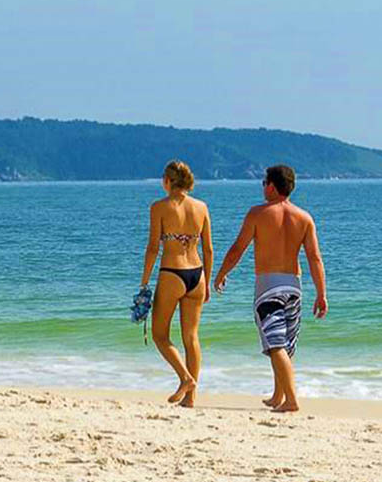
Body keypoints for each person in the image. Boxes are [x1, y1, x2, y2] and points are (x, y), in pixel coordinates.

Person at [213, 164, 327, 413]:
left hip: (268, 287)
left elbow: (237, 249)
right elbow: (314, 258)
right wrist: (321, 293)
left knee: (276, 346)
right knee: (284, 344)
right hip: (294, 286)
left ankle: (292, 400)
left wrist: (221, 274)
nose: (263, 187)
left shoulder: (258, 214)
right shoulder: (304, 217)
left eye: (264, 182)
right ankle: (278, 395)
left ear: (272, 187)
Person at [138, 160, 214, 406]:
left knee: (160, 335)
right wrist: (208, 281)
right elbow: (209, 249)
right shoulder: (201, 207)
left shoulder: (159, 207)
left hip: (172, 272)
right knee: (191, 337)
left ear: (168, 181)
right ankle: (190, 398)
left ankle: (185, 378)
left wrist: (144, 282)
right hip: (197, 274)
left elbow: (152, 248)